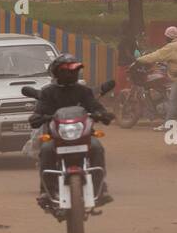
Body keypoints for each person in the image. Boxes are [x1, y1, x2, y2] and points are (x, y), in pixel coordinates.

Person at [30, 55, 114, 203]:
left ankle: (100, 189)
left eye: (73, 70)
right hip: (57, 137)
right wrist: (37, 117)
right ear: (57, 72)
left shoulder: (84, 91)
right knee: (46, 150)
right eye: (65, 71)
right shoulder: (48, 93)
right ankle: (46, 191)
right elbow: (39, 111)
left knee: (96, 147)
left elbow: (95, 106)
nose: (69, 74)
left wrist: (103, 114)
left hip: (83, 135)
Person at [135, 27, 177, 132]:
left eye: (165, 37)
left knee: (172, 102)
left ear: (168, 37)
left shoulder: (171, 47)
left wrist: (139, 60)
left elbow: (156, 55)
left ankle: (167, 125)